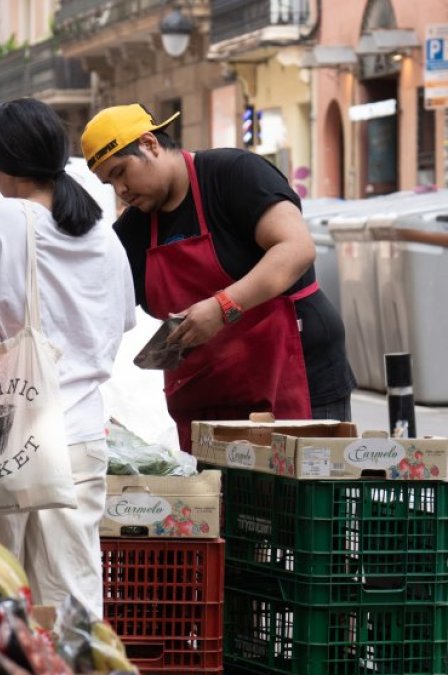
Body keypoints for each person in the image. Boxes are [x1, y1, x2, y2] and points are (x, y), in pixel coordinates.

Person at [0, 98, 136, 618]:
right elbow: (122, 321)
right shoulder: (103, 234)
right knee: (72, 598)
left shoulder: (0, 219)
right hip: (82, 439)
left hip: (6, 434)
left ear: (3, 163)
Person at [80, 104, 356, 452]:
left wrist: (223, 306)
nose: (120, 189)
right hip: (209, 391)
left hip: (296, 372)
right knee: (221, 504)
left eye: (122, 171)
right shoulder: (133, 232)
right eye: (110, 182)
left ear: (150, 144)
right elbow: (99, 309)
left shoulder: (234, 174)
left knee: (300, 499)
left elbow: (296, 248)